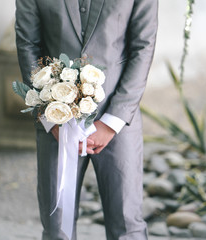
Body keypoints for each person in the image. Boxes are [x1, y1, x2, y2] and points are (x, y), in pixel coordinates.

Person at [15, 0, 158, 239]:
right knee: (56, 227)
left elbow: (143, 47)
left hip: (118, 119)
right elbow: (28, 44)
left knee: (127, 226)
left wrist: (112, 121)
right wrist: (51, 118)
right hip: (57, 121)